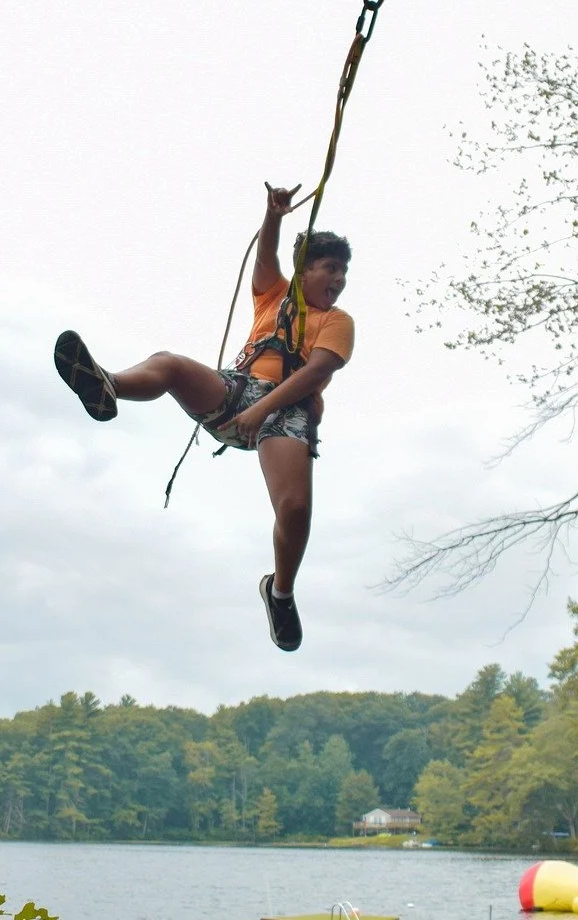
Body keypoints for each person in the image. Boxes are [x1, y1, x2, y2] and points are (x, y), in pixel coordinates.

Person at [52, 183, 354, 652]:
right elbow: (267, 256)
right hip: (238, 389)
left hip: (286, 407)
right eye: (330, 268)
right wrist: (273, 215)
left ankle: (280, 592)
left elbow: (316, 372)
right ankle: (107, 383)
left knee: (294, 510)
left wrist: (261, 410)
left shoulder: (337, 321)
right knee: (170, 362)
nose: (339, 279)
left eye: (343, 272)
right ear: (305, 270)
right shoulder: (275, 296)